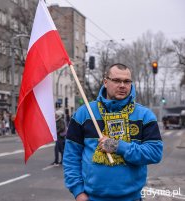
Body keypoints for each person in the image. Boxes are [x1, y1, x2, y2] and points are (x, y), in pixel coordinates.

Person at [63, 63, 163, 201]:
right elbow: (71, 156)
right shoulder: (84, 113)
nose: (122, 85)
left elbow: (155, 153)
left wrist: (118, 146)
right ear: (105, 82)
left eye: (127, 81)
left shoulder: (145, 116)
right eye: (116, 80)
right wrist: (78, 192)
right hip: (91, 198)